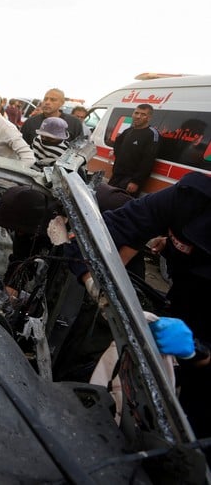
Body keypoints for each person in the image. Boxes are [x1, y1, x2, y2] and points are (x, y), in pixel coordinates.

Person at [99, 172, 211, 437]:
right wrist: (94, 284)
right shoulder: (192, 197)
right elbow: (116, 226)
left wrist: (201, 355)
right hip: (182, 306)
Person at [109, 104, 159, 195]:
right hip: (116, 176)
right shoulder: (128, 131)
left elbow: (148, 161)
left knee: (121, 206)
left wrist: (136, 181)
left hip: (130, 181)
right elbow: (117, 143)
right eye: (136, 113)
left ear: (149, 118)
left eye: (143, 114)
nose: (138, 116)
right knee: (105, 200)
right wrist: (118, 156)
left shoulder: (152, 134)